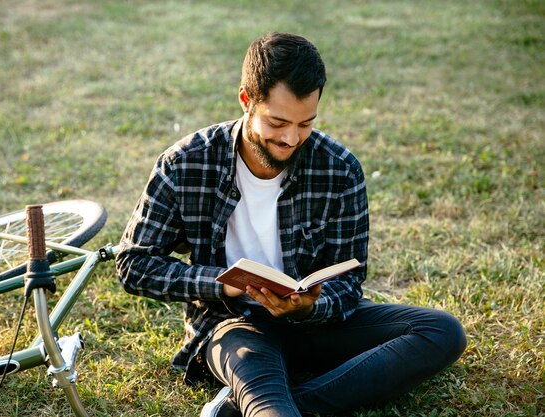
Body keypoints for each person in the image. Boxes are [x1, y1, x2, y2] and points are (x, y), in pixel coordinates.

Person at [116, 32, 467, 417]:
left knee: (441, 332)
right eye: (277, 122)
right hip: (233, 323)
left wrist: (307, 308)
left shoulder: (339, 168)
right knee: (271, 406)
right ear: (246, 100)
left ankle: (238, 411)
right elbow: (134, 264)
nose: (290, 138)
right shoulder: (186, 162)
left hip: (313, 324)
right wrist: (223, 284)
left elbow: (349, 282)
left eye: (305, 124)